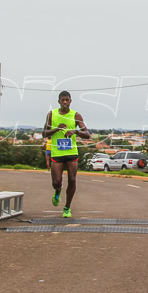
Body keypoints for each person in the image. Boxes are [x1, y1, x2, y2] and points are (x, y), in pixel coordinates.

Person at [43, 91, 91, 219]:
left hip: (71, 152)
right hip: (57, 152)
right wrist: (56, 129)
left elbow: (87, 134)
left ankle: (67, 207)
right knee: (56, 182)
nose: (65, 102)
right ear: (59, 101)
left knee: (72, 179)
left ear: (70, 101)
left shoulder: (76, 115)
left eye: (67, 100)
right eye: (62, 100)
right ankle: (57, 191)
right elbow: (44, 133)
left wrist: (75, 131)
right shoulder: (51, 114)